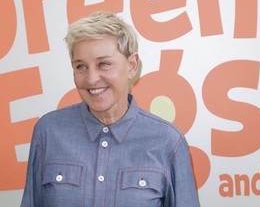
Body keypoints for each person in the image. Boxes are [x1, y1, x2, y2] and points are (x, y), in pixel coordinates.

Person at [21, 11, 200, 207]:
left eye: (103, 64)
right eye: (81, 66)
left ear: (132, 66)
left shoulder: (168, 141)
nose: (91, 79)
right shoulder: (47, 132)